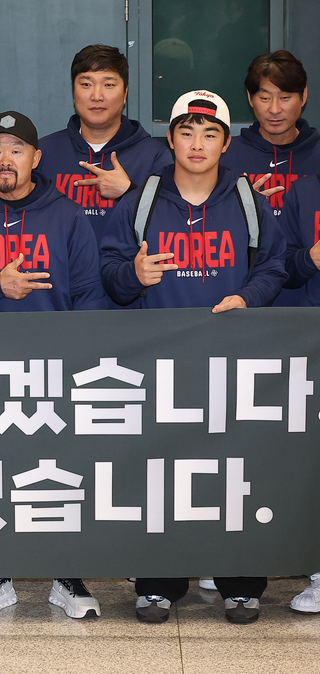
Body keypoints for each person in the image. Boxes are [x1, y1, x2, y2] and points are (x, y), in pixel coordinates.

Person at [98, 91, 286, 625]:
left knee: (235, 471)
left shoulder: (247, 200)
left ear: (226, 143)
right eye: (186, 132)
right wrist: (133, 276)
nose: (197, 144)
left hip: (232, 360)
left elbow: (273, 266)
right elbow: (109, 270)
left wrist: (247, 298)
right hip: (160, 364)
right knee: (159, 470)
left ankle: (240, 584)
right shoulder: (142, 200)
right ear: (171, 139)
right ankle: (158, 583)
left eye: (209, 134)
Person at [0, 111, 107, 620]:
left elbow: (90, 295)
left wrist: (80, 364)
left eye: (16, 149)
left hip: (54, 370)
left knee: (58, 475)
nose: (4, 159)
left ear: (36, 157)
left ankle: (66, 576)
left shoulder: (67, 215)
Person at [37, 44, 171, 239]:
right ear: (73, 92)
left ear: (125, 93)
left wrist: (128, 192)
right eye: (86, 84)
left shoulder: (154, 156)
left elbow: (171, 226)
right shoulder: (43, 153)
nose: (96, 96)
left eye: (108, 85)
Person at [221, 50, 317, 306]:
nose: (275, 109)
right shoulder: (226, 155)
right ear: (250, 99)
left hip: (307, 302)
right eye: (264, 98)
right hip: (245, 298)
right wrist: (241, 210)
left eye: (285, 97)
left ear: (303, 96)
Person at [277, 172, 320, 614]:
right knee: (310, 456)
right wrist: (310, 259)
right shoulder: (305, 190)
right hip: (311, 336)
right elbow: (281, 268)